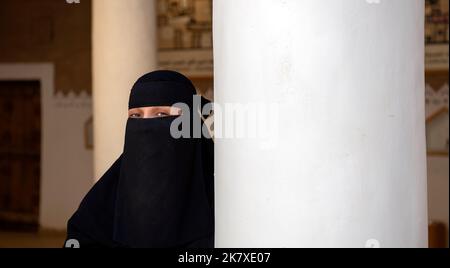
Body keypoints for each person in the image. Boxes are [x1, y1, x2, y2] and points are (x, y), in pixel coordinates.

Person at [65, 70, 214, 248]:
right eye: (136, 116)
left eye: (161, 115)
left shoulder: (224, 199)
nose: (146, 126)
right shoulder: (101, 204)